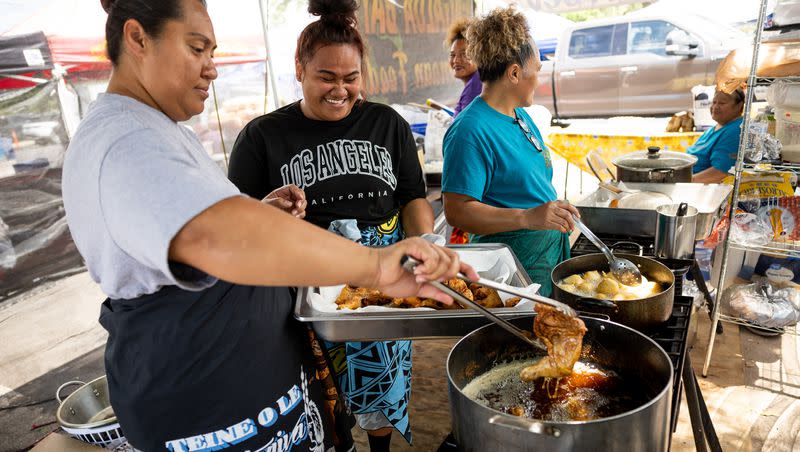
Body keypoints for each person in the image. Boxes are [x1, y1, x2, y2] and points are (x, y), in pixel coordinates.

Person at [61, 1, 474, 450]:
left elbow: (202, 220)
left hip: (251, 391)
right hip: (204, 403)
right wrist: (374, 266)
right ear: (139, 39)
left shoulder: (160, 127)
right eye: (198, 49)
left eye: (212, 52)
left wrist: (258, 210)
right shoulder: (124, 140)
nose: (212, 70)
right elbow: (214, 234)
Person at [227, 1, 436, 450]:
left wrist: (423, 242)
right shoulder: (262, 137)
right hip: (305, 291)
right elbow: (235, 225)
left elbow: (413, 197)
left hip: (382, 287)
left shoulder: (387, 123)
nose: (340, 90)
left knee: (382, 389)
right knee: (321, 399)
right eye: (326, 77)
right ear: (299, 69)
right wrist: (267, 210)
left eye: (351, 78)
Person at [442, 7, 579, 297]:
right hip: (512, 268)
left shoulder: (519, 115)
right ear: (515, 73)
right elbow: (457, 211)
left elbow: (527, 186)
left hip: (545, 255)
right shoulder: (470, 130)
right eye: (537, 71)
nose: (539, 81)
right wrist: (527, 217)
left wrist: (554, 211)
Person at [689, 88, 744, 184]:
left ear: (739, 106)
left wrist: (684, 182)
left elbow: (720, 173)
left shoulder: (736, 130)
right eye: (714, 102)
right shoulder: (717, 127)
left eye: (722, 103)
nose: (715, 107)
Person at [447, 18, 480, 118]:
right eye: (452, 55)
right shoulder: (476, 82)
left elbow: (465, 130)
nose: (456, 60)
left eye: (464, 54)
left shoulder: (475, 85)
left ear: (479, 55)